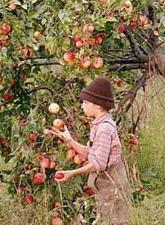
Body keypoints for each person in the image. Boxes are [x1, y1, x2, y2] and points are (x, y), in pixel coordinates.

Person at [48, 76, 131, 224]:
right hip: (106, 186)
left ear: (98, 105)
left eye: (85, 102)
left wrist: (72, 173)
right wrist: (70, 141)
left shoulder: (104, 128)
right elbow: (91, 153)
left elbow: (97, 164)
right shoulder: (98, 124)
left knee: (115, 221)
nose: (82, 106)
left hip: (113, 186)